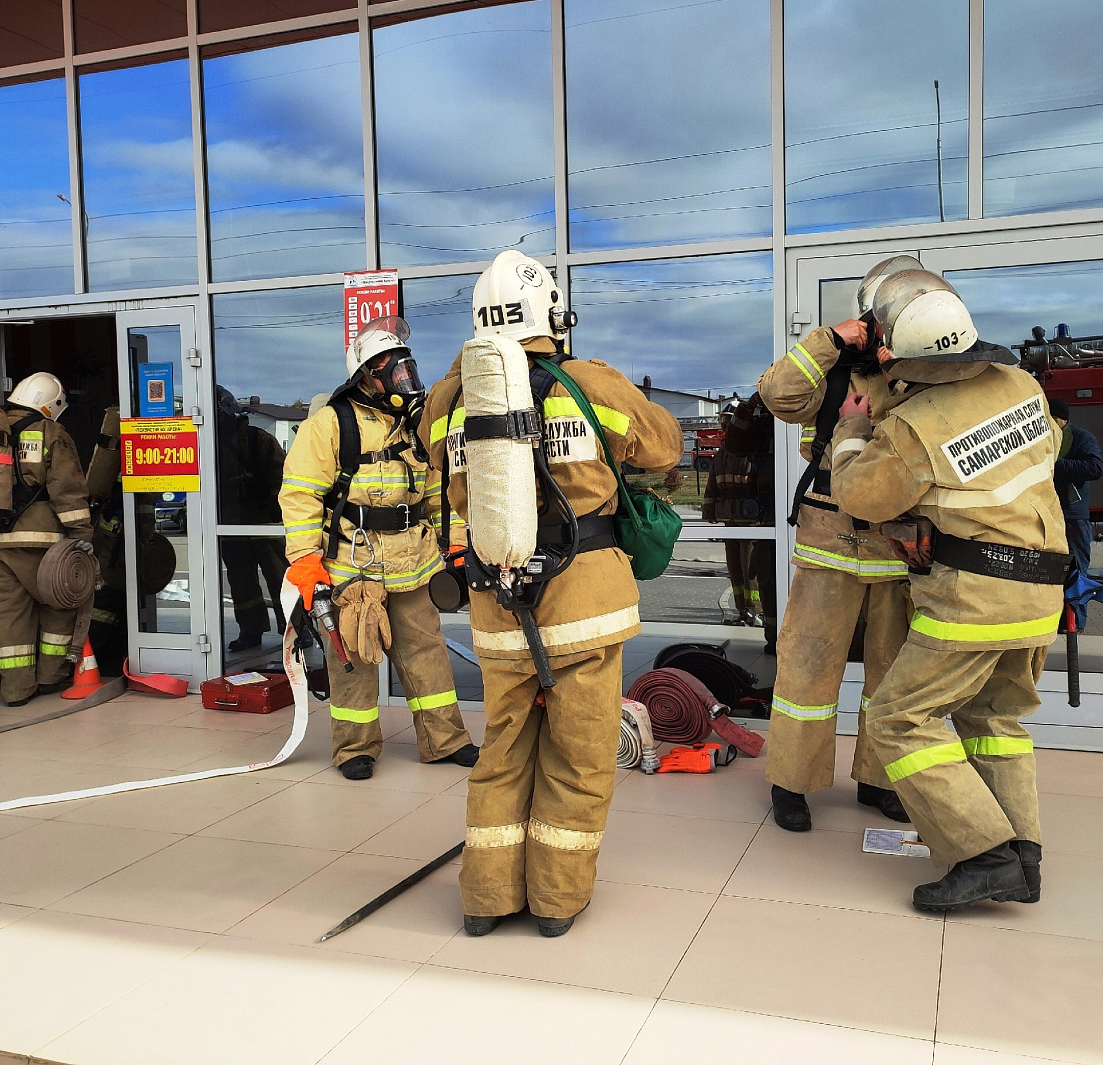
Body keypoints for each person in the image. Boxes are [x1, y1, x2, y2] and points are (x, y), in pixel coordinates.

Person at [422, 250, 682, 939]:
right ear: (553, 316)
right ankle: (557, 900)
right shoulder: (591, 383)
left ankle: (485, 898)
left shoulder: (448, 400)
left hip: (497, 609)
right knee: (579, 754)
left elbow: (434, 458)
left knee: (502, 752)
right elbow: (662, 446)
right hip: (585, 607)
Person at [831, 270, 1069, 911]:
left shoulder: (913, 426)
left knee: (896, 718)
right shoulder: (1021, 385)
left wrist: (853, 429)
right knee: (995, 720)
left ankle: (980, 854)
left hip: (974, 596)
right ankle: (1024, 854)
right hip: (1042, 590)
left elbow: (861, 497)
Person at [757, 255, 923, 834]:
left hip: (897, 547)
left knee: (891, 676)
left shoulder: (922, 374)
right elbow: (776, 396)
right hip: (829, 539)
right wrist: (829, 340)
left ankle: (880, 781)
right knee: (806, 669)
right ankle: (792, 782)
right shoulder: (832, 370)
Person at [281, 318, 478, 780]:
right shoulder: (330, 424)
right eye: (393, 370)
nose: (404, 379)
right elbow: (300, 496)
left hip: (414, 560)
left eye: (408, 369)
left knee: (427, 654)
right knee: (353, 659)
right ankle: (354, 750)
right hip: (353, 564)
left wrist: (455, 544)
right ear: (366, 376)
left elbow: (439, 495)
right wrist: (306, 561)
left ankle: (445, 740)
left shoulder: (416, 427)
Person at [0, 373, 95, 706]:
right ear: (49, 404)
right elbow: (66, 488)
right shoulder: (50, 432)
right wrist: (81, 533)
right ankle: (50, 676)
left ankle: (16, 688)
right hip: (42, 539)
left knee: (10, 609)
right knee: (59, 602)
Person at [216, 387, 289, 652]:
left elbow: (283, 480)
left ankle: (295, 631)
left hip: (266, 526)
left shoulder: (259, 441)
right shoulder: (211, 448)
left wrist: (269, 507)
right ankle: (250, 631)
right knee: (241, 584)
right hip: (230, 527)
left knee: (282, 581)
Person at [702, 393, 775, 644]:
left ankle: (756, 611)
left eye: (728, 419)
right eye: (723, 420)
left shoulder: (747, 449)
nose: (725, 424)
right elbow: (712, 485)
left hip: (751, 524)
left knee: (750, 570)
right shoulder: (722, 453)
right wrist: (709, 513)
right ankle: (742, 608)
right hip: (729, 521)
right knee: (735, 570)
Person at [1047, 397, 1103, 614]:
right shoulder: (1044, 439)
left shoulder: (1081, 438)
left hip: (1073, 516)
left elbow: (1095, 468)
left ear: (1062, 420)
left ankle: (1075, 623)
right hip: (1050, 514)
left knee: (1077, 572)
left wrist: (1057, 465)